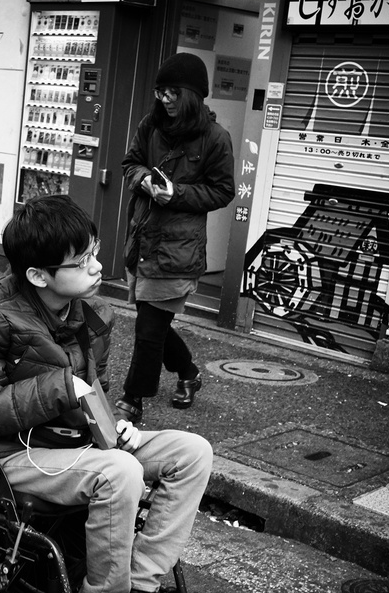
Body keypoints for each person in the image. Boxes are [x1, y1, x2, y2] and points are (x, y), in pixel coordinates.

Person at [0, 195, 212, 593]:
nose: (98, 266)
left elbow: (97, 394)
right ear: (38, 275)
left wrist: (118, 424)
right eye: (83, 259)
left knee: (192, 451)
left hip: (82, 442)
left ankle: (141, 589)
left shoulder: (92, 313)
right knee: (120, 473)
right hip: (12, 455)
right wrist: (58, 389)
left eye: (94, 251)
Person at [115, 52, 235, 424]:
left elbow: (222, 191)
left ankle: (132, 399)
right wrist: (146, 181)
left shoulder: (215, 138)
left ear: (193, 95)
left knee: (149, 326)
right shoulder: (149, 125)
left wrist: (177, 194)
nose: (164, 98)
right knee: (155, 322)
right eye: (160, 91)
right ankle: (189, 373)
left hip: (179, 249)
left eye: (172, 92)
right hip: (143, 239)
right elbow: (129, 164)